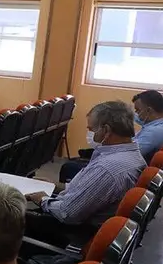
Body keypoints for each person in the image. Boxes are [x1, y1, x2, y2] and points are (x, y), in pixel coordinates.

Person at [26, 101, 146, 243]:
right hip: (81, 219)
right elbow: (89, 192)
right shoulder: (131, 155)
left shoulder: (106, 169)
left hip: (72, 232)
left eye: (91, 129)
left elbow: (67, 213)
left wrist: (42, 199)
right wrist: (55, 186)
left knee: (5, 217)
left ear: (106, 130)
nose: (89, 134)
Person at [132, 90, 163, 162]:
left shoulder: (153, 132)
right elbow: (136, 118)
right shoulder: (155, 123)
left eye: (138, 110)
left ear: (149, 110)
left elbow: (129, 154)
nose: (136, 113)